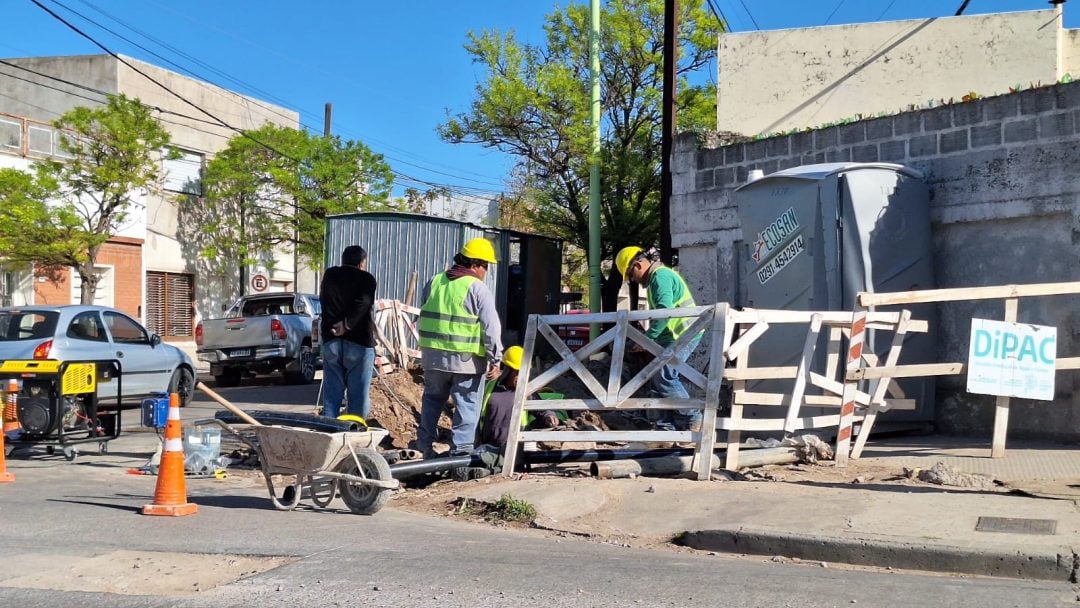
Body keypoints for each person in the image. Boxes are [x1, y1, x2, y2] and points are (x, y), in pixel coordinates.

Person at [417, 237, 503, 458]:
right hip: (466, 362)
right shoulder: (478, 289)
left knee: (431, 402)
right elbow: (491, 328)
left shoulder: (434, 282)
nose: (486, 272)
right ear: (475, 264)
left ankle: (423, 448)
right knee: (466, 406)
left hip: (433, 359)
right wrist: (496, 358)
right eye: (486, 266)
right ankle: (461, 456)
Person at [615, 246, 702, 433]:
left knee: (665, 375)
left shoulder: (660, 277)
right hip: (672, 336)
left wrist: (647, 339)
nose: (633, 280)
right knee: (658, 376)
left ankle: (693, 416)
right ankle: (666, 427)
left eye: (631, 275)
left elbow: (664, 313)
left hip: (684, 333)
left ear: (638, 265)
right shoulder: (656, 279)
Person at [319, 245, 377, 419]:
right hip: (359, 342)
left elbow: (324, 300)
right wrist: (347, 325)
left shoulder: (330, 275)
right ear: (361, 263)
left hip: (331, 341)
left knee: (331, 394)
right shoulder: (366, 279)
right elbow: (364, 302)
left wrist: (335, 326)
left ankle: (329, 431)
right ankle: (355, 433)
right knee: (358, 396)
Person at [477, 345, 560, 450]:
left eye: (524, 373)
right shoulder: (490, 386)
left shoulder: (526, 390)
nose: (521, 377)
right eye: (517, 373)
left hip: (516, 449)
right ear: (508, 370)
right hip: (488, 447)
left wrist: (550, 415)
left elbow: (541, 408)